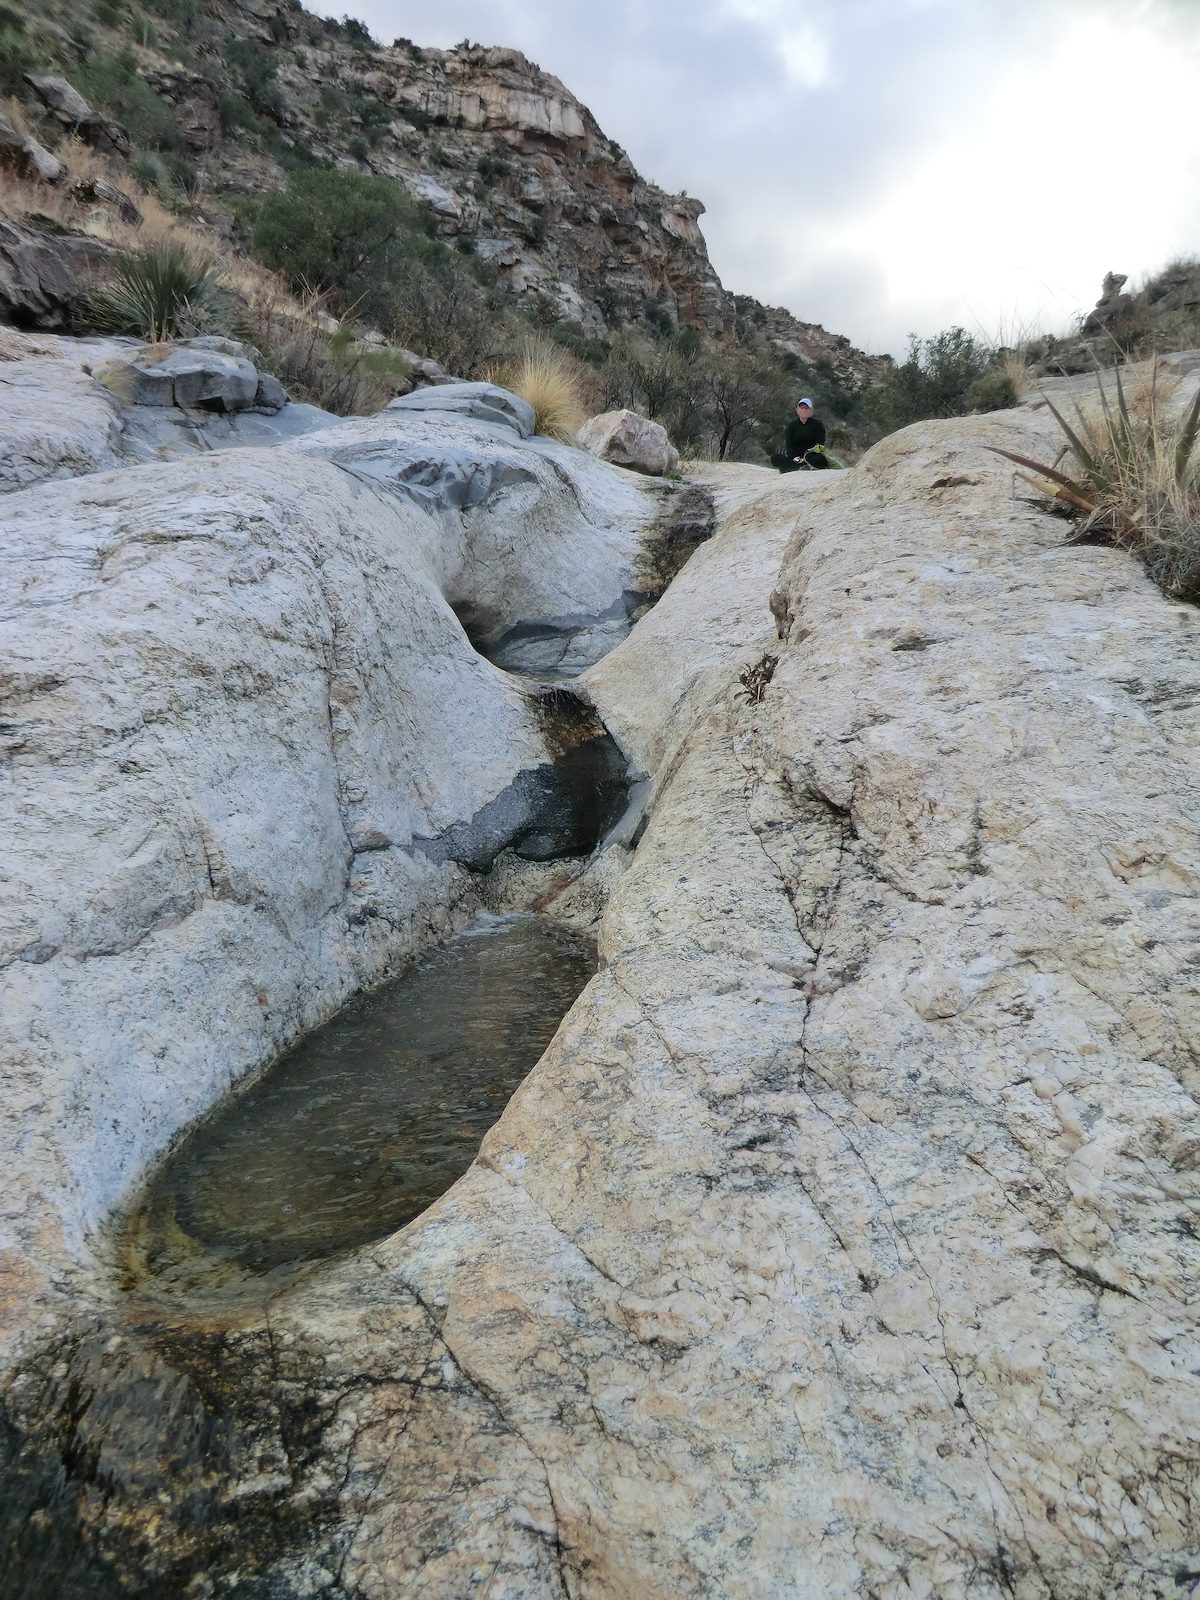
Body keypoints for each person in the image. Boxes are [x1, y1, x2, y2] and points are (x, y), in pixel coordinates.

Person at [771, 397, 829, 472]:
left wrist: (805, 459)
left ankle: (796, 467)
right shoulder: (792, 426)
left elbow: (820, 445)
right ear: (797, 410)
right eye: (801, 408)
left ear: (811, 411)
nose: (803, 410)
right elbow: (789, 445)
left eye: (806, 408)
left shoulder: (818, 425)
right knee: (775, 457)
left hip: (811, 456)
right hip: (795, 458)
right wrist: (794, 457)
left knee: (819, 460)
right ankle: (798, 467)